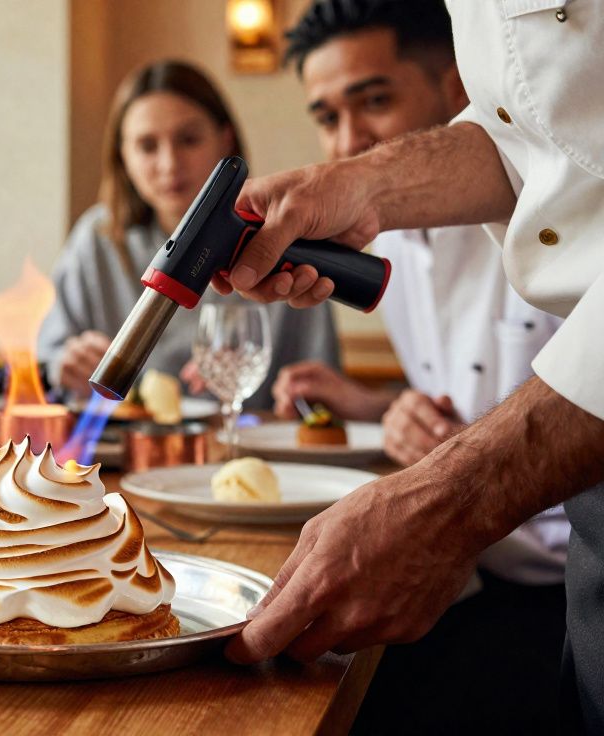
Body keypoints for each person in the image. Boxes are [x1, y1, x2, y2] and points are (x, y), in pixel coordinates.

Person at [214, 1, 604, 729]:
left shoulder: (530, 249)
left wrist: (446, 502)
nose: (347, 137)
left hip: (531, 572)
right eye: (327, 116)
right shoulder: (379, 250)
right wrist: (368, 184)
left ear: (451, 85)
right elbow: (529, 143)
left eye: (376, 100)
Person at [36, 60, 339, 407]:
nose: (169, 164)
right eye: (148, 146)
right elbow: (46, 363)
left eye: (189, 139)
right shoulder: (95, 239)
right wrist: (64, 364)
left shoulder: (279, 237)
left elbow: (319, 393)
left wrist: (292, 392)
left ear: (225, 140)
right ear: (124, 156)